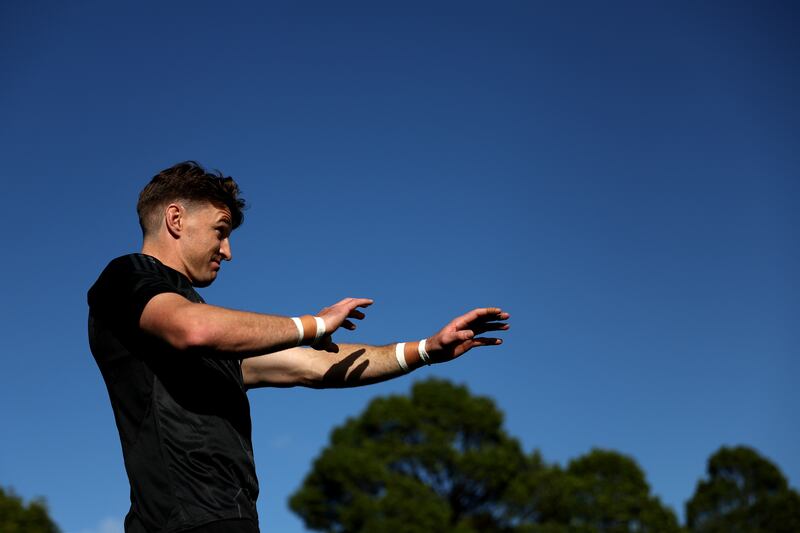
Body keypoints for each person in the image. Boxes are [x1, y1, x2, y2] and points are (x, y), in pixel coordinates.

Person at [87, 161, 510, 533]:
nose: (228, 251)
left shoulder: (212, 337)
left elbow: (313, 365)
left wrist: (425, 350)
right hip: (186, 523)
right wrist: (313, 323)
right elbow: (191, 328)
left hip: (225, 517)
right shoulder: (126, 277)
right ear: (175, 219)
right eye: (221, 231)